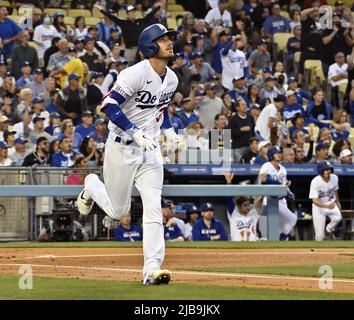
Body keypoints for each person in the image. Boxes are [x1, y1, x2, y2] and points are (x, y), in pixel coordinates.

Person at [76, 24, 180, 285]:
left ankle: (152, 270)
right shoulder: (134, 74)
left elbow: (160, 109)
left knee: (154, 207)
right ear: (149, 45)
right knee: (116, 211)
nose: (169, 42)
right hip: (122, 146)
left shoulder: (172, 78)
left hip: (150, 150)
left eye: (169, 38)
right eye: (163, 38)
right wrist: (134, 132)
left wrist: (169, 131)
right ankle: (90, 184)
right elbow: (108, 105)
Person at [259, 146, 297, 240]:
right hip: (270, 199)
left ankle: (281, 241)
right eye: (277, 153)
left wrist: (289, 191)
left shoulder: (283, 169)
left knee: (282, 226)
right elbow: (264, 178)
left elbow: (285, 184)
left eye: (280, 153)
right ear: (271, 155)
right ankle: (282, 237)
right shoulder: (266, 166)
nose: (279, 155)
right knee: (292, 219)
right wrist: (279, 183)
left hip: (282, 200)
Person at [224, 173, 263, 241]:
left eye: (248, 205)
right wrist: (228, 182)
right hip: (236, 247)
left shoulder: (253, 214)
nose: (248, 207)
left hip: (252, 246)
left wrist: (263, 182)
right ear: (239, 206)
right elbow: (228, 199)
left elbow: (260, 199)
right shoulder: (234, 214)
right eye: (245, 205)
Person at [309, 161, 342, 241]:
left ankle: (328, 230)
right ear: (321, 171)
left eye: (329, 169)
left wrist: (338, 202)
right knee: (319, 237)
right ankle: (318, 250)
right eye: (326, 169)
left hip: (331, 202)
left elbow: (335, 190)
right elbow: (315, 201)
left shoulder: (334, 178)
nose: (329, 171)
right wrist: (327, 206)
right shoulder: (315, 181)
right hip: (318, 206)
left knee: (338, 218)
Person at [228, 98, 255, 163]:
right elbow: (229, 133)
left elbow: (253, 131)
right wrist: (241, 129)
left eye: (245, 104)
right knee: (239, 168)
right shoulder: (233, 119)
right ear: (237, 108)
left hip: (250, 147)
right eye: (243, 105)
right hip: (238, 148)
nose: (245, 106)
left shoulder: (250, 117)